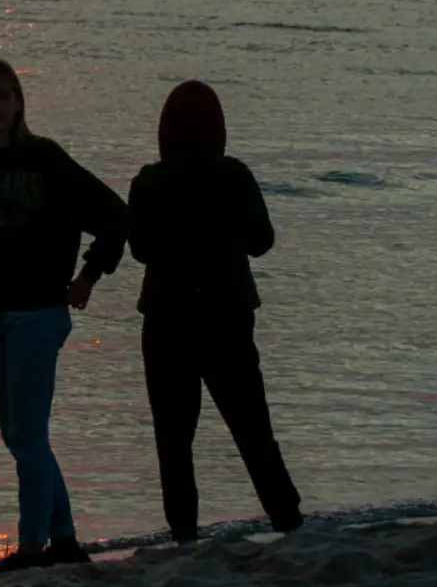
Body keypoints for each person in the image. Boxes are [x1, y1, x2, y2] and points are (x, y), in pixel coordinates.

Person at [0, 60, 128, 576]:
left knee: (27, 434)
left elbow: (114, 214)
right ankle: (64, 538)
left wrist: (88, 276)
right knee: (19, 435)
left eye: (3, 95)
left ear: (19, 103)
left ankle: (32, 550)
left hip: (39, 312)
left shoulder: (45, 159)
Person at [128, 80, 303, 541]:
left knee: (173, 439)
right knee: (252, 429)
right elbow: (262, 241)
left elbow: (140, 249)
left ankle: (184, 533)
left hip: (167, 319)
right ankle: (288, 520)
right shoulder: (234, 176)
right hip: (228, 315)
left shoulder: (149, 181)